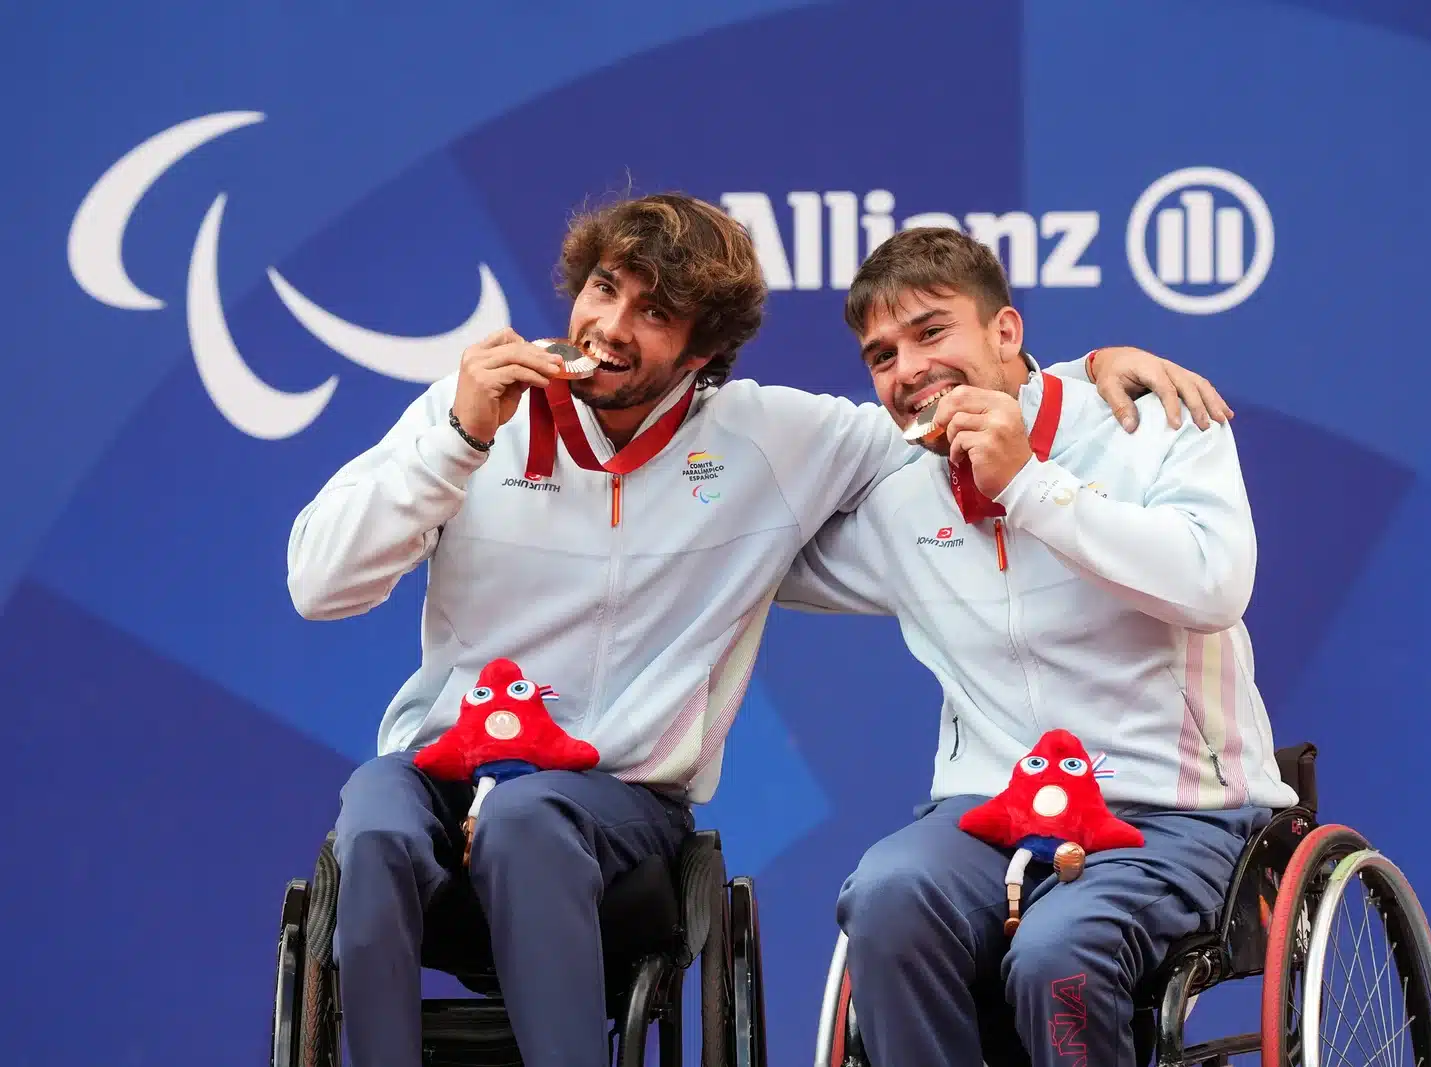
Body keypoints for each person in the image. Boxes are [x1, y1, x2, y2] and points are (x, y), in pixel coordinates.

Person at [285, 192, 1229, 1067]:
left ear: (701, 354)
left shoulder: (773, 441)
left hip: (610, 797)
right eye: (604, 290)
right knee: (370, 811)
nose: (609, 326)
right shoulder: (471, 414)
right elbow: (318, 585)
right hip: (441, 768)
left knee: (530, 818)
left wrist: (1091, 368)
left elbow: (960, 405)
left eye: (652, 313)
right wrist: (456, 436)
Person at [776, 225, 1296, 1067]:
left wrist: (1027, 483)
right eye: (881, 355)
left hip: (1174, 810)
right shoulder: (900, 496)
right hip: (987, 812)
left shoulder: (1154, 419)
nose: (907, 368)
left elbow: (1214, 584)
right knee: (885, 896)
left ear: (1006, 332)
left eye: (931, 331)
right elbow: (726, 551)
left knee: (1059, 953)